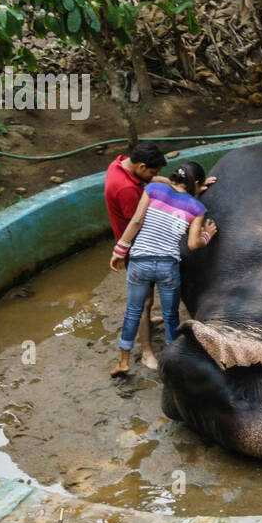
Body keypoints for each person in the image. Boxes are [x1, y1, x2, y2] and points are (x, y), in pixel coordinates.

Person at [109, 161, 216, 377]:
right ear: (195, 183)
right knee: (170, 315)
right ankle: (174, 363)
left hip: (140, 261)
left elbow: (137, 221)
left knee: (133, 312)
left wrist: (120, 251)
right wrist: (207, 235)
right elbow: (193, 244)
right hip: (168, 266)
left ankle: (123, 362)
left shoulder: (153, 189)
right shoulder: (197, 209)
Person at [104, 141, 169, 369]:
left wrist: (171, 184)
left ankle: (146, 321)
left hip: (128, 243)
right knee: (143, 301)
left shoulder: (119, 165)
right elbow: (139, 223)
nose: (154, 176)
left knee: (144, 301)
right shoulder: (128, 190)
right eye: (152, 172)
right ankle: (146, 352)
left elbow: (149, 184)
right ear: (141, 166)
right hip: (139, 249)